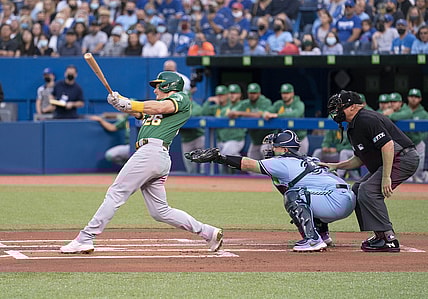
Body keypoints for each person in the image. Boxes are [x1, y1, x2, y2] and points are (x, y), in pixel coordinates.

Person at [60, 71, 223, 254]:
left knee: (116, 193)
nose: (155, 90)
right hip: (155, 156)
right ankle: (209, 232)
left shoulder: (181, 98)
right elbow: (141, 112)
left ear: (169, 85)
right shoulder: (158, 107)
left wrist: (130, 103)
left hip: (151, 153)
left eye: (158, 86)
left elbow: (158, 108)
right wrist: (120, 101)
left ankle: (85, 238)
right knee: (160, 211)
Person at [185, 130, 356, 252]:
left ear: (285, 149)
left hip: (334, 201)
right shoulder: (309, 158)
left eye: (275, 146)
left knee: (294, 195)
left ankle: (313, 240)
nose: (271, 148)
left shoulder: (282, 161)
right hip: (345, 197)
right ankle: (323, 235)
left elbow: (248, 164)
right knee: (303, 193)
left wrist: (219, 158)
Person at [324, 90, 419, 252]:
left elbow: (388, 146)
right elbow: (359, 159)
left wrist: (386, 177)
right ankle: (379, 234)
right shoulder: (354, 126)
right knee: (357, 188)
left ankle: (389, 238)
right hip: (392, 159)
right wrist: (335, 165)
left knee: (368, 190)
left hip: (403, 158)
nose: (337, 111)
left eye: (340, 107)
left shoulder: (366, 119)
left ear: (353, 107)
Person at [227, 83, 273, 160]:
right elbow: (232, 113)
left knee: (265, 153)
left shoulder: (265, 101)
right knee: (251, 161)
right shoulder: (245, 103)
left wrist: (240, 113)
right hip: (255, 140)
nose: (252, 95)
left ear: (259, 93)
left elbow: (259, 115)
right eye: (250, 93)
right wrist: (234, 113)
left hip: (268, 138)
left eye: (254, 93)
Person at [264, 83, 309, 155]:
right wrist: (266, 114)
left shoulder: (299, 104)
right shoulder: (278, 104)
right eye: (283, 93)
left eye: (287, 93)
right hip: (283, 139)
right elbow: (267, 112)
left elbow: (296, 114)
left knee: (301, 159)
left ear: (292, 93)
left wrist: (277, 115)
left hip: (299, 138)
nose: (285, 95)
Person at [180, 91, 205, 174]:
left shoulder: (195, 106)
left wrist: (182, 115)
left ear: (190, 99)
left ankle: (205, 178)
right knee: (190, 168)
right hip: (186, 140)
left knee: (205, 160)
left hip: (198, 137)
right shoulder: (178, 107)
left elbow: (197, 111)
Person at [406, 88, 428, 183]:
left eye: (416, 97)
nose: (413, 99)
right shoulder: (403, 111)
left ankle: (420, 176)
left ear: (420, 99)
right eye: (411, 96)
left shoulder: (424, 114)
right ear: (408, 98)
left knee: (419, 162)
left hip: (418, 143)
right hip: (405, 143)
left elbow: (426, 131)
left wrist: (419, 139)